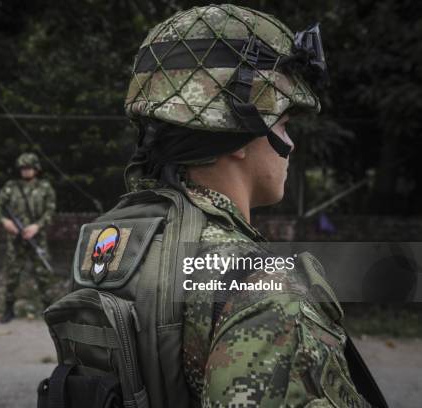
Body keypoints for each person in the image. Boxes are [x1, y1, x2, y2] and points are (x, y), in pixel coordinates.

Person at [121, 4, 386, 407]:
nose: (291, 144)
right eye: (283, 125)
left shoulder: (119, 246)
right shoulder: (262, 289)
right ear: (241, 130)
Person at [0, 152, 56, 323]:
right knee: (12, 274)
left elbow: (50, 212)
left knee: (43, 274)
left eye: (29, 168)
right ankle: (8, 309)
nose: (25, 171)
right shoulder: (10, 187)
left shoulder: (45, 188)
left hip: (37, 238)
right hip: (16, 239)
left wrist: (37, 226)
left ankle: (50, 310)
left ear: (36, 169)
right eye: (23, 168)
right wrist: (5, 221)